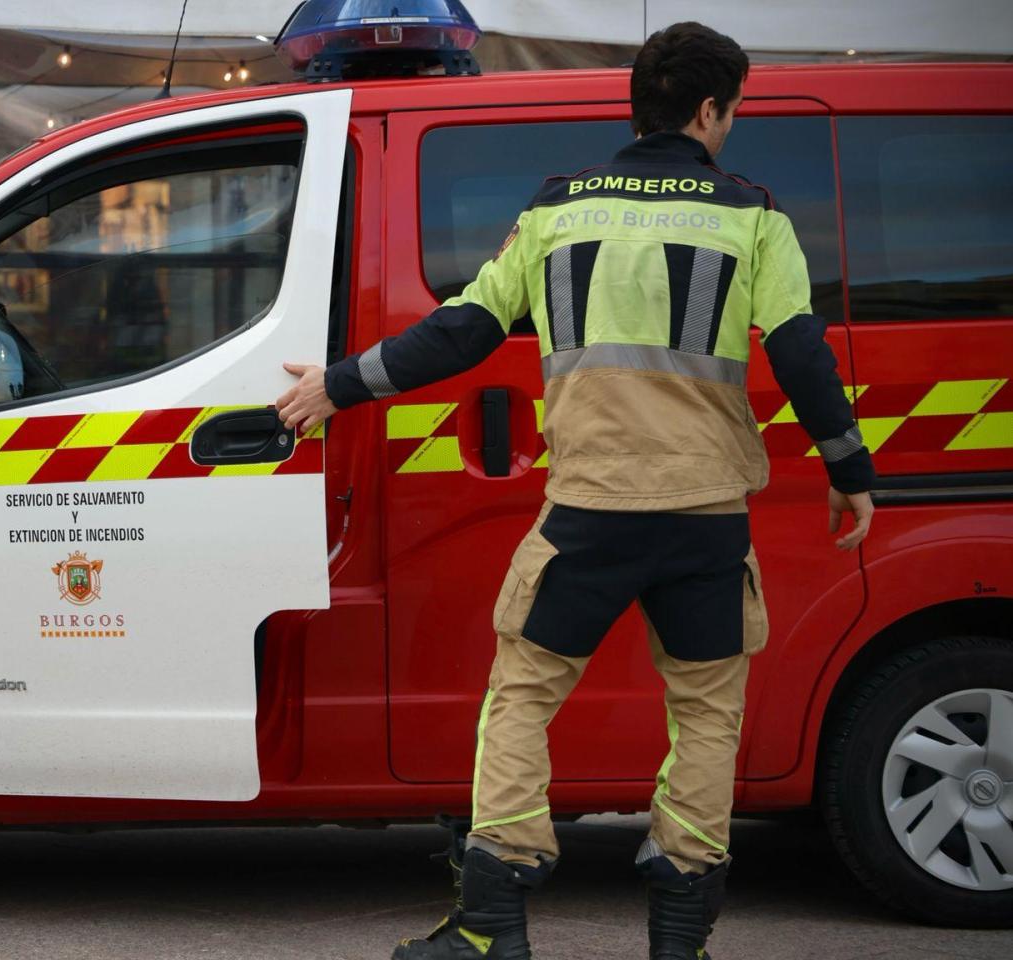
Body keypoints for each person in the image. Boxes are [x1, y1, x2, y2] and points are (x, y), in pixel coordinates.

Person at [275, 21, 875, 960]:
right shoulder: (751, 216)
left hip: (589, 516)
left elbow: (463, 331)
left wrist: (337, 385)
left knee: (522, 697)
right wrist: (849, 472)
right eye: (732, 114)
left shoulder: (558, 214)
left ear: (639, 105)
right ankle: (679, 940)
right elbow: (799, 349)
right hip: (706, 520)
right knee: (707, 715)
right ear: (711, 111)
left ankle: (488, 928)